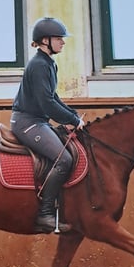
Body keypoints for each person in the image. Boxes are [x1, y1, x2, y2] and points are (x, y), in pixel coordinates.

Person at [11, 17, 85, 233]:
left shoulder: (49, 64)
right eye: (58, 38)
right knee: (64, 159)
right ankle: (45, 214)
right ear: (45, 41)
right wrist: (71, 120)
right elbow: (47, 103)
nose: (62, 42)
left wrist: (74, 116)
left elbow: (53, 97)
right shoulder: (38, 65)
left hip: (38, 120)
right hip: (27, 122)